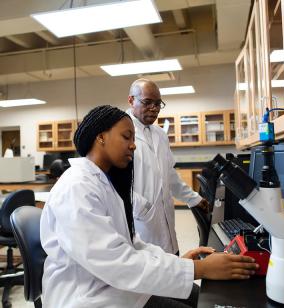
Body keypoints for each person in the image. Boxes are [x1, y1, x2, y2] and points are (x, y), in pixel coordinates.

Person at [40, 105, 258, 308]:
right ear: (101, 137)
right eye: (127, 137)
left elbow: (132, 244)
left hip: (115, 286)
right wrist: (200, 269)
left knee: (195, 296)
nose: (133, 145)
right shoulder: (77, 187)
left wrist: (177, 262)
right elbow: (116, 263)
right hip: (89, 297)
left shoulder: (103, 182)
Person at [127, 79, 209, 254]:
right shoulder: (123, 134)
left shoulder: (160, 135)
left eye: (158, 103)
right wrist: (144, 208)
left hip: (167, 228)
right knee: (152, 273)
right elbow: (116, 183)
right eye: (147, 102)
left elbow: (169, 176)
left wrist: (193, 198)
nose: (154, 108)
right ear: (131, 100)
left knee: (172, 263)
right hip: (141, 229)